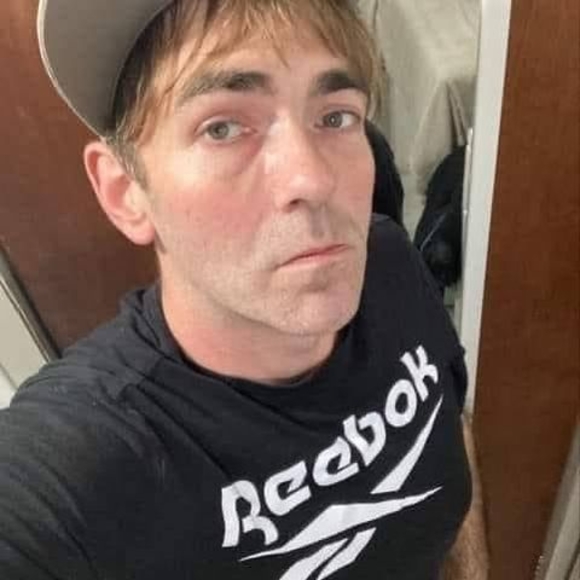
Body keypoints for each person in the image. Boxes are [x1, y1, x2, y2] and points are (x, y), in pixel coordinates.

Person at [0, 0, 489, 578]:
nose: (313, 178)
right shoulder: (86, 459)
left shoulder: (387, 261)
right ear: (125, 192)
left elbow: (449, 422)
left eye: (335, 117)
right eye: (223, 128)